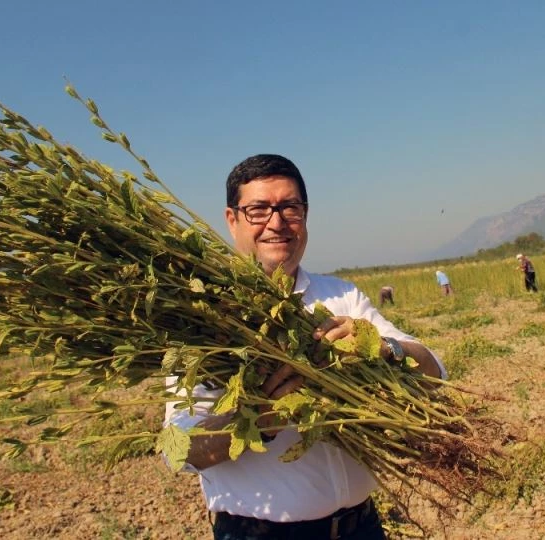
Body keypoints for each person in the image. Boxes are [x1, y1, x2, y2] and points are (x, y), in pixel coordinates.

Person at [164, 154, 446, 540]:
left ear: (305, 214)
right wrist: (253, 421)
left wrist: (385, 348)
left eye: (290, 207)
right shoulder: (204, 318)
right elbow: (179, 450)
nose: (276, 223)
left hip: (361, 527)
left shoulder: (341, 296)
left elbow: (435, 372)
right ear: (232, 219)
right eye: (258, 210)